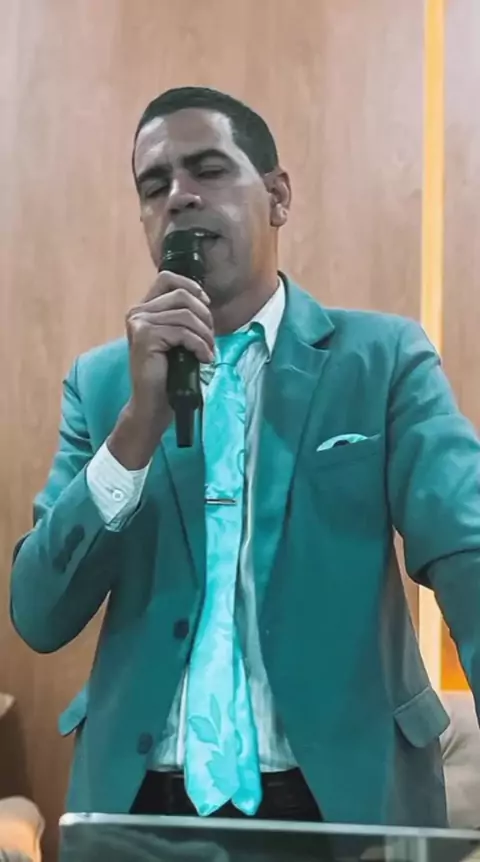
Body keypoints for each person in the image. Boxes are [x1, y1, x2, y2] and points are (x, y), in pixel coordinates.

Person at [10, 86, 480, 828]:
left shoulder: (381, 359)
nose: (180, 196)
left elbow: (466, 548)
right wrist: (137, 426)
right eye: (155, 186)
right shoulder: (101, 387)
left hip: (342, 810)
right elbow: (39, 614)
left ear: (277, 197)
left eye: (208, 169)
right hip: (141, 813)